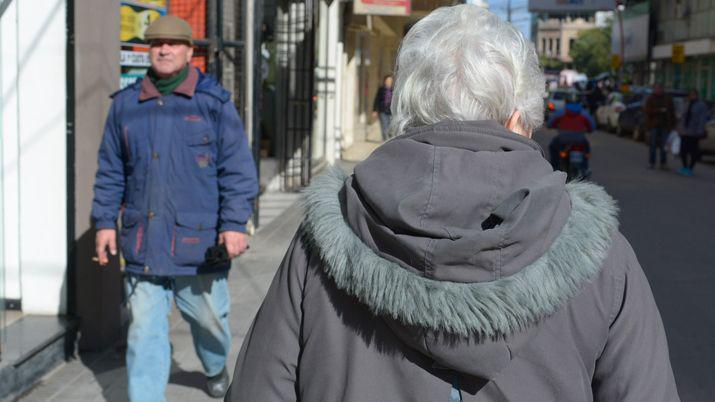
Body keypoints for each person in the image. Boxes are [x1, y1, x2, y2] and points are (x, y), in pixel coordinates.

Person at [227, 5, 679, 402]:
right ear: (521, 117)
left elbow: (259, 387)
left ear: (406, 108)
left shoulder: (328, 233)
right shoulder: (599, 252)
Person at [91, 16, 258, 401]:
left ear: (188, 50)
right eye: (156, 43)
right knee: (143, 331)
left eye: (172, 43)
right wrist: (103, 223)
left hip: (197, 246)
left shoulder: (212, 103)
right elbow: (110, 170)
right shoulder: (126, 106)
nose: (164, 49)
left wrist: (234, 224)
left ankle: (214, 364)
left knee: (210, 323)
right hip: (143, 242)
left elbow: (237, 169)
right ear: (148, 50)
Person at [547, 98, 595, 175]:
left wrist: (552, 126)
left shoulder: (561, 112)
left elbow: (550, 123)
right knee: (586, 150)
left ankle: (554, 167)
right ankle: (585, 168)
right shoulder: (584, 113)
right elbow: (592, 126)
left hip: (563, 139)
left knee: (552, 147)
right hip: (579, 139)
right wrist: (589, 130)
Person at [644, 83, 676, 169]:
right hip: (654, 125)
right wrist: (659, 110)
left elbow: (672, 112)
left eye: (660, 88)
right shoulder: (650, 98)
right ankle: (652, 162)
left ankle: (663, 163)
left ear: (662, 89)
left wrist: (673, 124)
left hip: (665, 125)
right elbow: (647, 111)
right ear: (654, 89)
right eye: (656, 88)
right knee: (653, 145)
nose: (658, 90)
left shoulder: (667, 98)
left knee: (664, 145)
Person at [678, 89, 709, 176]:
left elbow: (702, 119)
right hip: (685, 131)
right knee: (683, 151)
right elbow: (682, 117)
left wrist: (700, 131)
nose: (692, 96)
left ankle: (690, 168)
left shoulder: (701, 105)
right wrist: (680, 129)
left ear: (697, 95)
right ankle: (684, 167)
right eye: (690, 95)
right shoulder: (687, 103)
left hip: (694, 132)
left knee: (693, 151)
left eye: (694, 95)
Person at [372, 74, 394, 141]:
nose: (389, 82)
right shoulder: (381, 89)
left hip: (391, 111)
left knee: (391, 127)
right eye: (387, 80)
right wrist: (374, 110)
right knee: (384, 126)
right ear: (385, 81)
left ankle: (390, 139)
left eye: (390, 81)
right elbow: (376, 99)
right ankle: (385, 140)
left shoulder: (394, 90)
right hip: (382, 110)